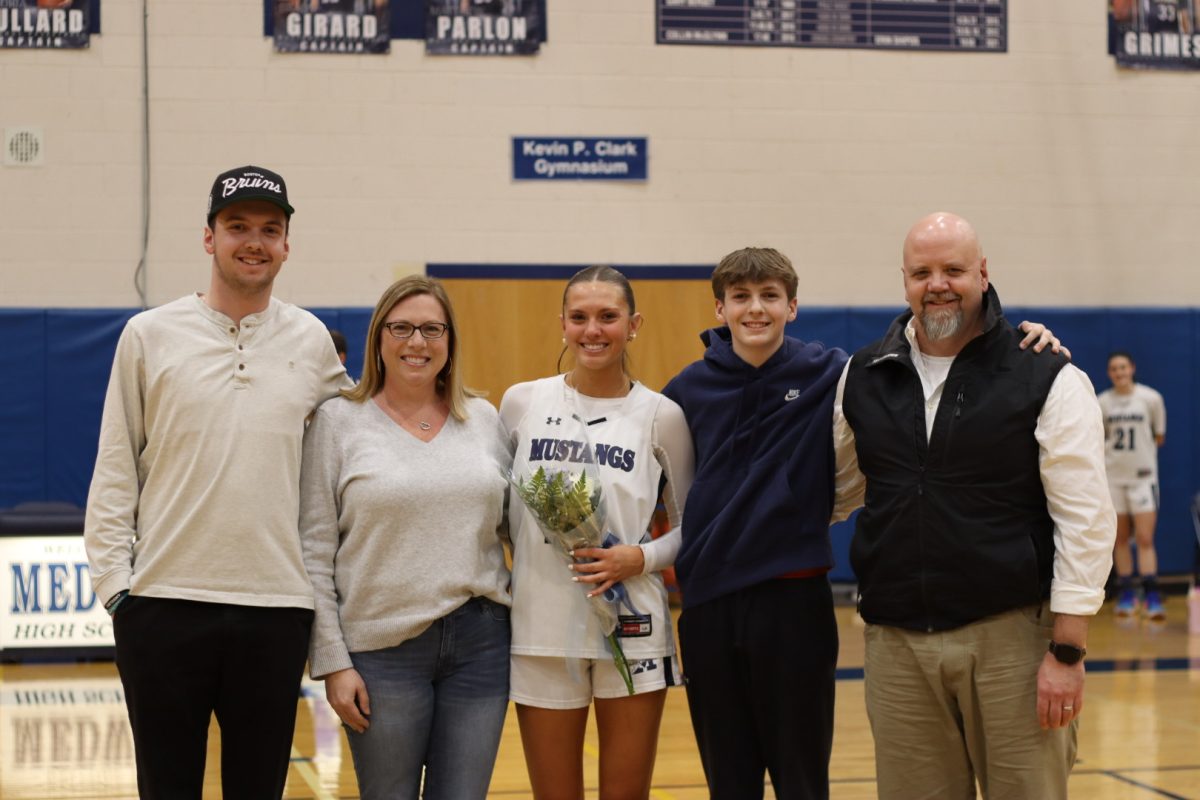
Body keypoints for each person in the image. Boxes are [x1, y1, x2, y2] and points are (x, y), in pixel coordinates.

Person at [660, 246, 1062, 800]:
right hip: (708, 603)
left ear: (793, 306)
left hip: (793, 599)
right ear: (719, 309)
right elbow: (672, 497)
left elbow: (928, 343)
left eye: (770, 296)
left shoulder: (834, 372)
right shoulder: (683, 392)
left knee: (803, 778)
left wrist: (1025, 336)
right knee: (728, 778)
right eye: (741, 297)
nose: (756, 309)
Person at [83, 165, 348, 799]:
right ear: (209, 238)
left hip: (276, 611)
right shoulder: (148, 335)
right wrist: (119, 591)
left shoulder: (311, 340)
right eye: (237, 227)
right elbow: (116, 467)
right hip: (163, 608)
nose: (254, 241)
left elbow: (353, 453)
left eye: (269, 228)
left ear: (287, 244)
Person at [836, 212, 1116, 799]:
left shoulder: (1045, 373)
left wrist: (1067, 650)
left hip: (1012, 639)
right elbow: (839, 491)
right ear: (905, 280)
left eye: (954, 270)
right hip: (897, 645)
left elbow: (1084, 519)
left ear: (983, 274)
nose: (937, 283)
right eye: (922, 272)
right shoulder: (862, 375)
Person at [299, 276, 512, 799]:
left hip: (481, 645)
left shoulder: (484, 420)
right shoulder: (337, 421)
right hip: (380, 652)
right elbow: (313, 550)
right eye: (402, 328)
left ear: (449, 341)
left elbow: (520, 532)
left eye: (432, 329)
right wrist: (332, 662)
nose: (417, 342)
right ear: (379, 338)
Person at [500, 265, 694, 800]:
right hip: (540, 627)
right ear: (562, 323)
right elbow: (497, 515)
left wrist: (639, 558)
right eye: (580, 317)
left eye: (608, 317)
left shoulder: (663, 416)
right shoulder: (521, 404)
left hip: (633, 627)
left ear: (634, 325)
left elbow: (689, 529)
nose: (593, 330)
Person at [1098, 351, 1167, 620]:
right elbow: (1098, 438)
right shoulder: (1102, 402)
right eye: (1114, 369)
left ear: (1132, 369)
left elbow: (1159, 436)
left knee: (1145, 538)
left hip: (1142, 478)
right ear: (1109, 373)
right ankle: (1127, 594)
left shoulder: (1151, 399)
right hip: (1113, 478)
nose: (1119, 372)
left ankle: (1151, 594)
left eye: (1123, 367)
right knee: (1120, 539)